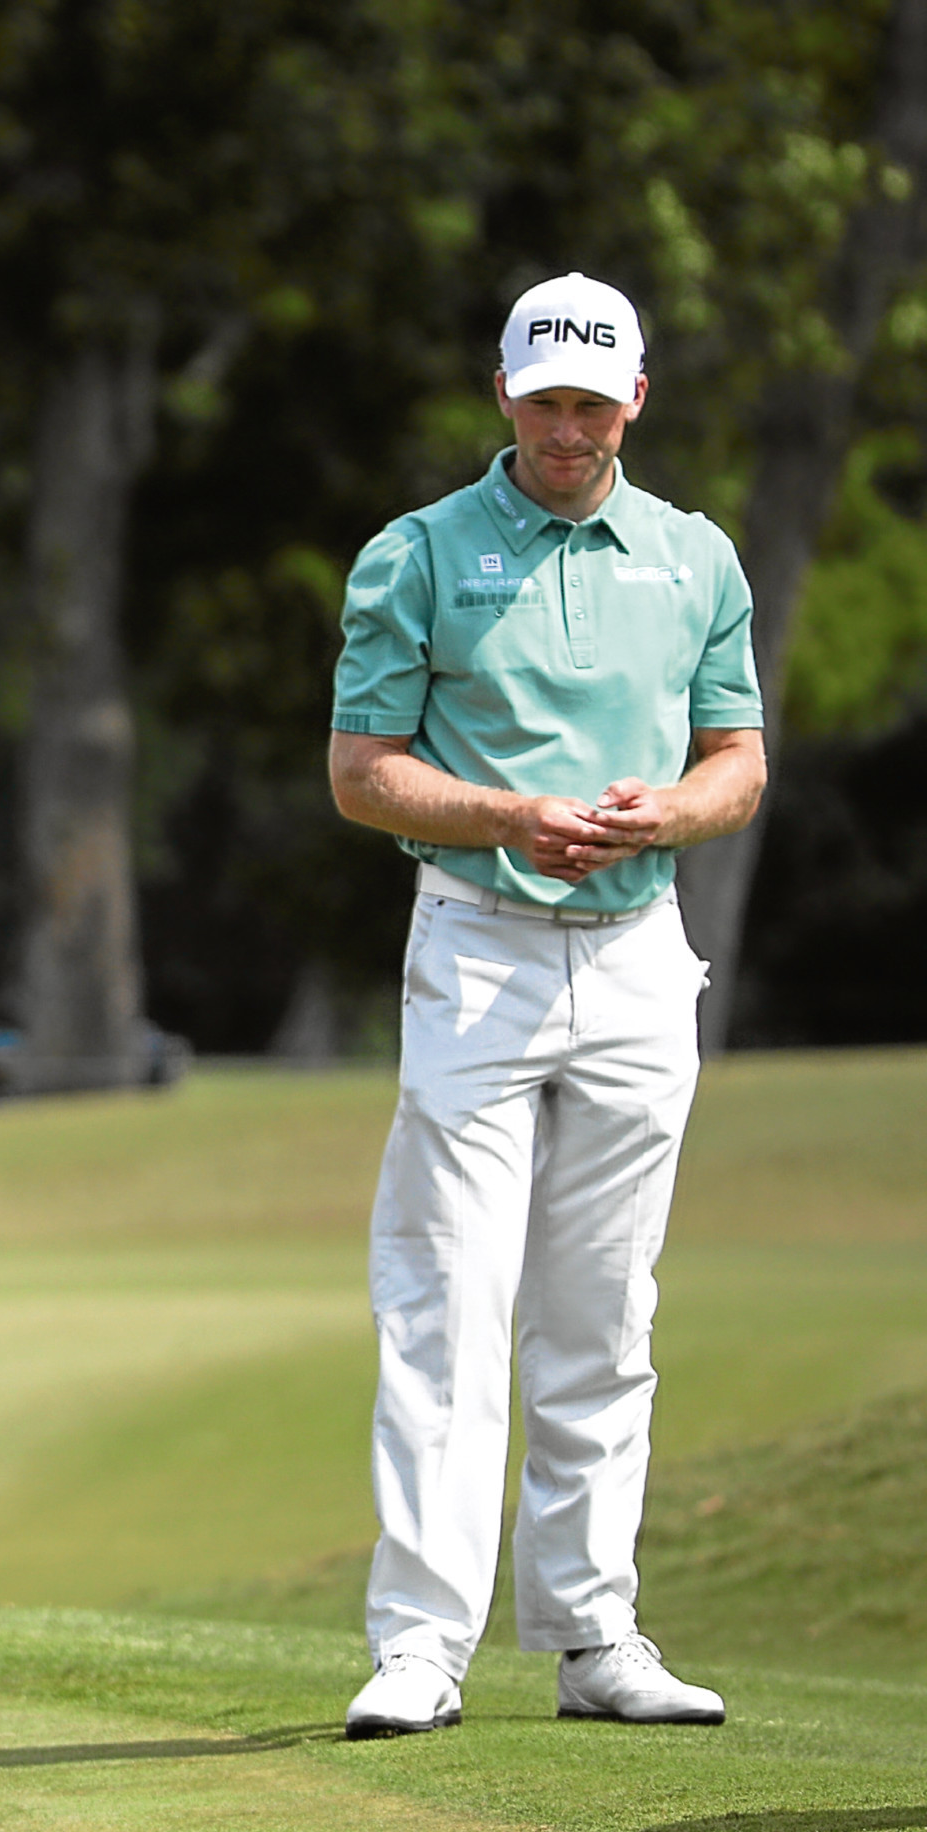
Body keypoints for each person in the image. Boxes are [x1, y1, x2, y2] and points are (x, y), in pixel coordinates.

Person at [325, 272, 767, 1740]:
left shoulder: (695, 557)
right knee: (447, 1297)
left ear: (635, 396)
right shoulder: (418, 555)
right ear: (502, 395)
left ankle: (594, 1632)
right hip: (481, 945)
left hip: (642, 951)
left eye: (593, 401)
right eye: (544, 401)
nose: (567, 427)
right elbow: (363, 767)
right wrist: (509, 812)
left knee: (607, 1306)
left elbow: (738, 759)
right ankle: (421, 1644)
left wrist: (667, 816)